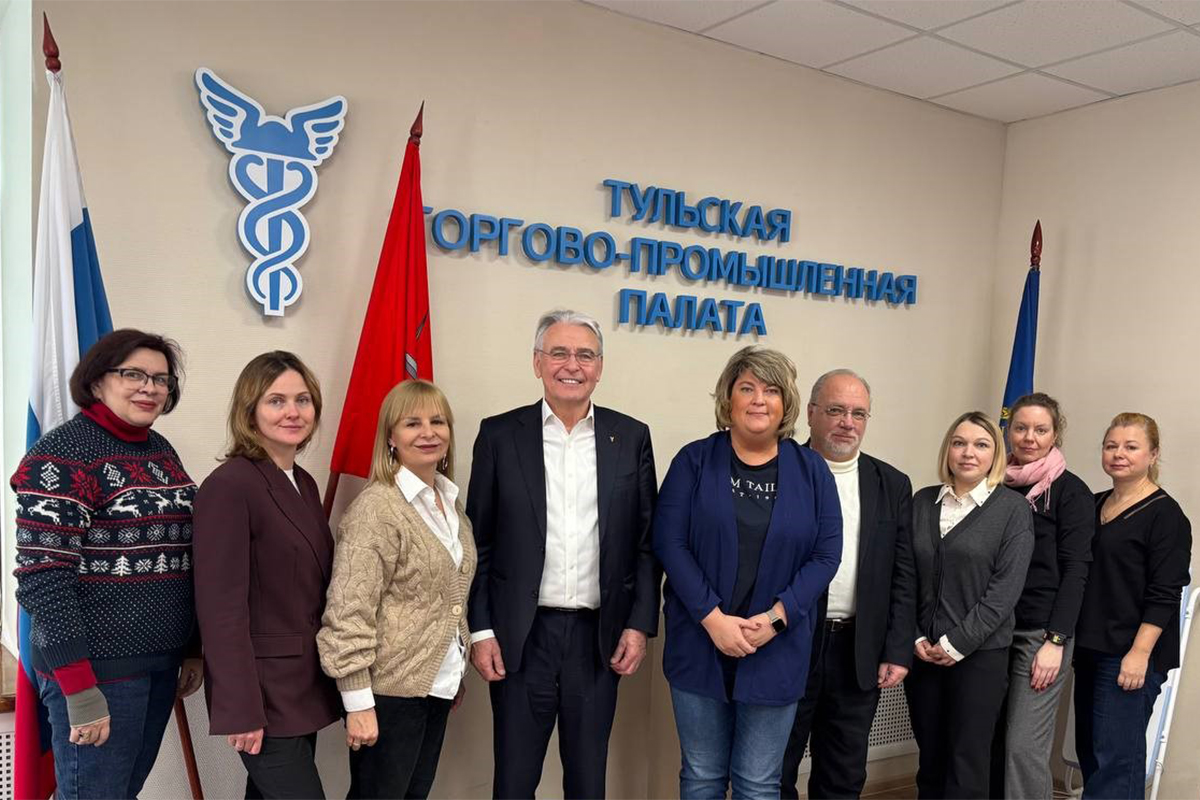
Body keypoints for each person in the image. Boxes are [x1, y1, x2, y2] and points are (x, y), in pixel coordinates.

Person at [466, 309, 660, 799]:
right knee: (514, 782)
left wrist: (638, 625)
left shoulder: (630, 437)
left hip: (599, 638)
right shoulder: (499, 435)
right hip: (520, 636)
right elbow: (477, 543)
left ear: (600, 367)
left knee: (588, 781)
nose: (572, 365)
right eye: (559, 353)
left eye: (585, 355)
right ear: (537, 362)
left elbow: (645, 543)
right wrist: (481, 630)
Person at [11, 328, 202, 799]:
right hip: (96, 670)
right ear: (97, 381)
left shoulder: (160, 451)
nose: (149, 388)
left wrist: (193, 646)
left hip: (158, 663)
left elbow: (185, 555)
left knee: (123, 792)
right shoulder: (61, 456)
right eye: (133, 374)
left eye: (161, 379)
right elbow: (43, 579)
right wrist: (78, 685)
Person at [654, 346, 842, 800]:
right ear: (729, 398)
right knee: (702, 775)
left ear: (786, 403)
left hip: (777, 646)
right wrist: (713, 619)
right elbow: (669, 543)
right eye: (747, 388)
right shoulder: (694, 461)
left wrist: (777, 618)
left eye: (771, 390)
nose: (759, 400)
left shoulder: (812, 470)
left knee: (758, 782)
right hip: (700, 640)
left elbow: (826, 554)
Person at [318, 379, 476, 799]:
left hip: (435, 687)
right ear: (390, 437)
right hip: (388, 692)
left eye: (437, 421)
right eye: (412, 423)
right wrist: (357, 703)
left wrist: (452, 668)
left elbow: (447, 596)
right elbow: (348, 610)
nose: (428, 432)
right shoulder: (377, 509)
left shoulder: (449, 503)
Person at [193, 351, 340, 799]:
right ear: (250, 411)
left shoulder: (303, 482)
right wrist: (240, 707)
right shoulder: (230, 484)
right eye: (277, 401)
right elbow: (220, 608)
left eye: (302, 400)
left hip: (301, 685)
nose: (293, 412)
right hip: (261, 694)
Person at [781, 369, 916, 800]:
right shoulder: (781, 468)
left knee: (843, 774)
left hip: (858, 650)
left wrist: (896, 649)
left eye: (858, 413)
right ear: (811, 413)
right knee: (774, 768)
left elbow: (903, 574)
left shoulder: (891, 484)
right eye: (836, 410)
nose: (847, 423)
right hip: (789, 642)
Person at [905, 411, 1033, 800]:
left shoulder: (1012, 510)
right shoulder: (922, 502)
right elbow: (904, 576)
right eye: (959, 443)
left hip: (980, 658)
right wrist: (916, 636)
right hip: (923, 655)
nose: (968, 453)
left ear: (996, 454)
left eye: (981, 444)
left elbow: (1004, 591)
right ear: (948, 449)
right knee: (930, 762)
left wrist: (956, 643)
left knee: (967, 765)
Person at [1073, 413, 1191, 800]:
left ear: (1153, 454)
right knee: (1091, 754)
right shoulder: (1093, 505)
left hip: (1130, 655)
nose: (1118, 454)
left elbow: (1165, 591)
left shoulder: (1166, 515)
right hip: (1089, 648)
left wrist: (1140, 653)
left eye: (1131, 446)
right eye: (1111, 446)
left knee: (1116, 763)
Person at [989, 393, 1094, 799]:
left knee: (1022, 747)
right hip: (992, 628)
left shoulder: (1070, 492)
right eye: (1020, 428)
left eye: (1040, 429)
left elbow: (1076, 571)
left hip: (1041, 635)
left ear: (1055, 435)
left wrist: (1056, 641)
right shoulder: (993, 483)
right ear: (1008, 431)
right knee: (988, 738)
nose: (1029, 437)